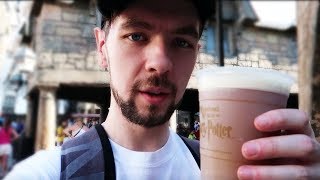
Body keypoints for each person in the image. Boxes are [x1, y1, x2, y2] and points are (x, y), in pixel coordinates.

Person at [5, 0, 320, 179]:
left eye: (181, 42)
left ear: (196, 53)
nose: (161, 62)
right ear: (102, 47)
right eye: (137, 35)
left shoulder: (227, 171)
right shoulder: (44, 174)